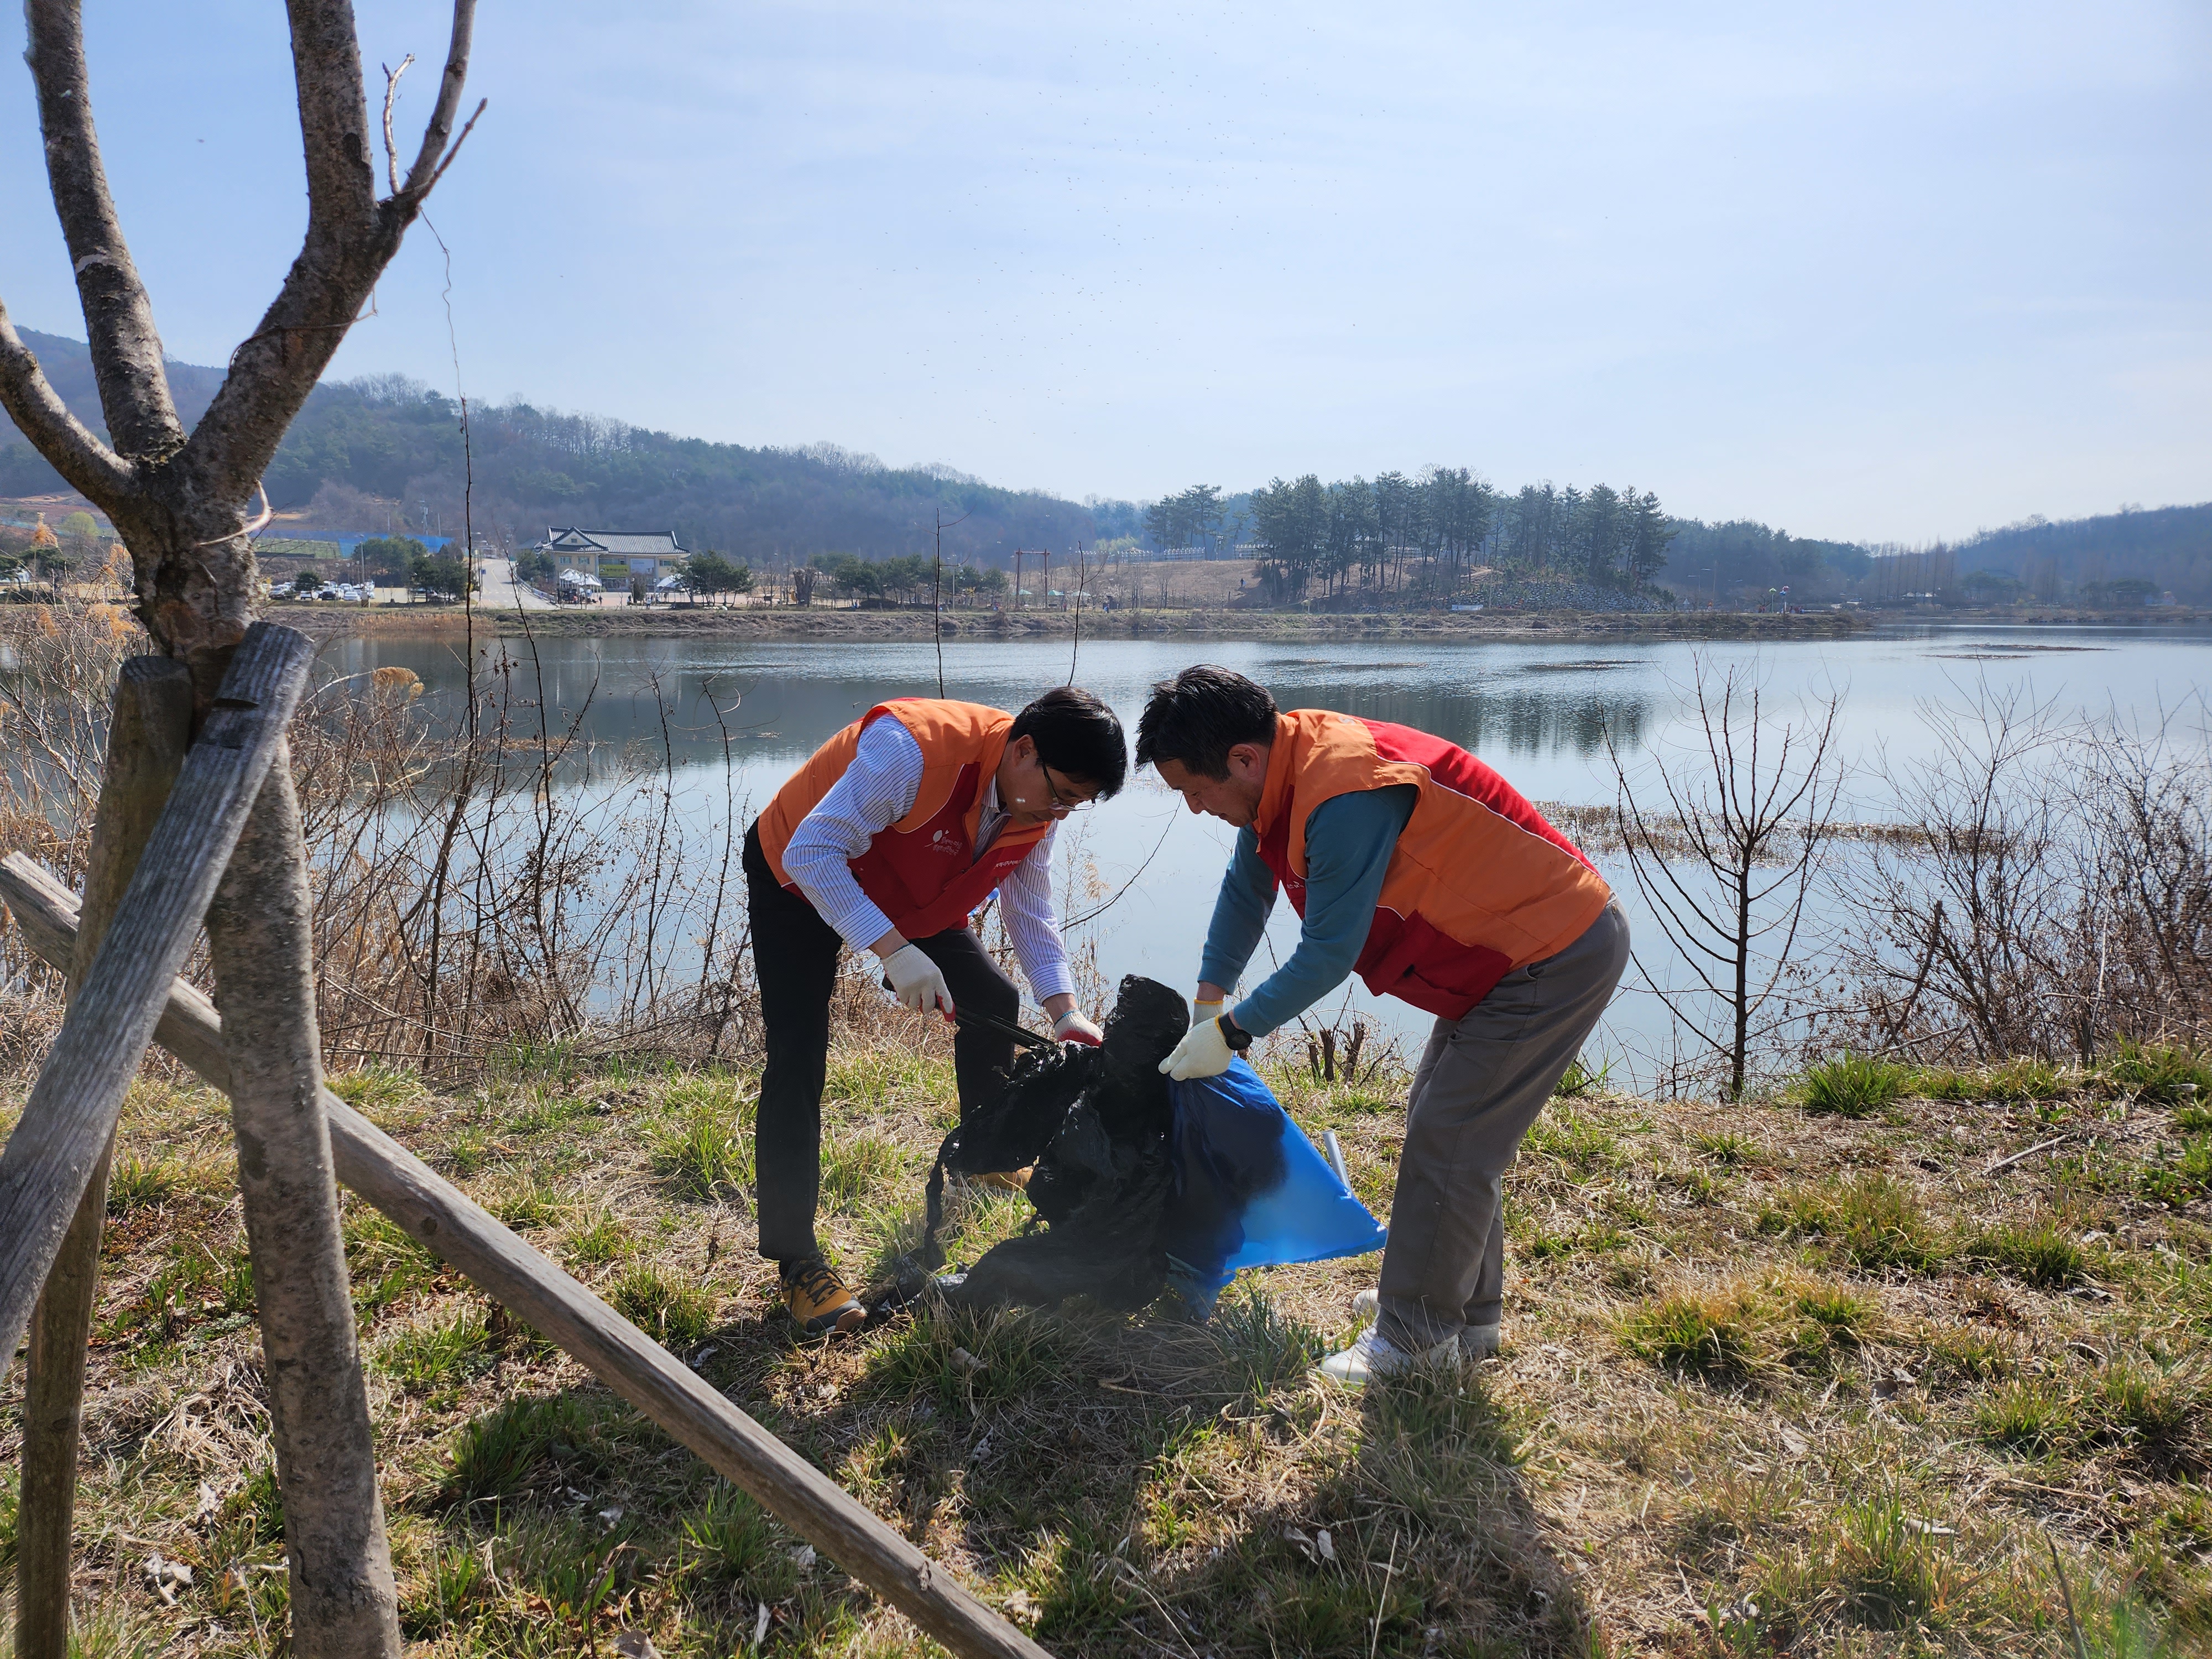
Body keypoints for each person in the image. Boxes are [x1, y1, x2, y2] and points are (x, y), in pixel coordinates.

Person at [1136, 666, 1628, 1384]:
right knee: (1448, 1127)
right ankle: (1467, 1316)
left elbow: (1328, 954)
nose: (1195, 808)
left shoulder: (1342, 792)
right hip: (1501, 962)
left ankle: (1415, 1338)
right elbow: (1247, 893)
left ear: (1242, 759)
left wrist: (1234, 1034)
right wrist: (1207, 1005)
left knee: (1453, 1135)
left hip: (1551, 951)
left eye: (1196, 791)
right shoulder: (1283, 774)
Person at [745, 688, 1128, 1334]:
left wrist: (1064, 1012)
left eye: (1075, 804)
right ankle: (796, 1262)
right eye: (1060, 793)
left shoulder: (1039, 802)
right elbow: (813, 853)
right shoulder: (912, 751)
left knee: (993, 998)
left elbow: (1030, 911)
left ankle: (986, 1156)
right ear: (1024, 750)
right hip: (799, 875)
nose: (1062, 811)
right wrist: (893, 951)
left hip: (911, 889)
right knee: (798, 1060)